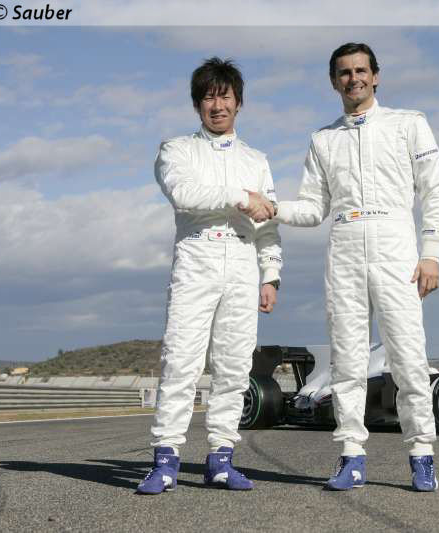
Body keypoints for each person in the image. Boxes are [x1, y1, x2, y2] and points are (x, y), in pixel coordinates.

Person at [267, 42, 439, 492]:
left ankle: (422, 456)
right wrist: (272, 208)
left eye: (361, 70)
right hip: (344, 247)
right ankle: (351, 456)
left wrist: (431, 252)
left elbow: (434, 190)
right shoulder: (323, 140)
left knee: (408, 359)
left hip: (396, 247)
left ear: (376, 75)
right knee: (347, 362)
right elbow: (314, 208)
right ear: (334, 82)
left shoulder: (409, 124)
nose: (354, 79)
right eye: (345, 73)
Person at [138, 57, 282, 494]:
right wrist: (241, 196)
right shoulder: (176, 149)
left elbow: (268, 222)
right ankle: (165, 459)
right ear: (197, 104)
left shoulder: (256, 159)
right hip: (196, 257)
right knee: (181, 360)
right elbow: (185, 194)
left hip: (242, 261)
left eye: (225, 97)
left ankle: (221, 458)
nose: (217, 106)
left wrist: (271, 274)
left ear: (239, 102)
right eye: (208, 98)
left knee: (234, 366)